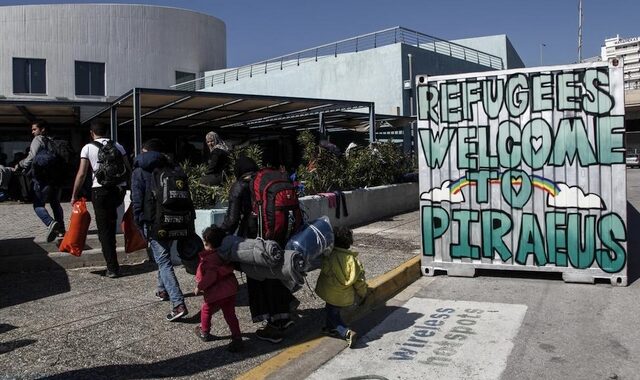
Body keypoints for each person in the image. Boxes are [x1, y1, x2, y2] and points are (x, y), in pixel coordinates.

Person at [219, 156, 295, 344]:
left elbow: (231, 219)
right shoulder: (265, 181)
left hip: (255, 239)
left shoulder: (239, 186)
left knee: (258, 278)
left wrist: (217, 237)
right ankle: (284, 316)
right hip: (277, 234)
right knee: (276, 273)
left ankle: (272, 326)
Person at [130, 138, 189, 320]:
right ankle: (162, 290)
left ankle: (178, 303)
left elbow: (137, 199)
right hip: (176, 220)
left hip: (154, 221)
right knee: (162, 255)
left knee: (163, 261)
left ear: (145, 151)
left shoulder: (140, 170)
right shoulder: (174, 168)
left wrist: (139, 222)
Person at [71, 122, 130, 278]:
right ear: (107, 132)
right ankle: (113, 259)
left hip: (100, 190)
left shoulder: (87, 147)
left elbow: (82, 173)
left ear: (92, 133)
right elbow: (127, 168)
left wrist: (74, 194)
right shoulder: (117, 145)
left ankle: (112, 267)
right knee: (112, 222)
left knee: (104, 230)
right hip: (118, 190)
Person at [315, 226, 368, 349]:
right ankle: (329, 329)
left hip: (330, 293)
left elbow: (325, 268)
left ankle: (346, 332)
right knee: (331, 310)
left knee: (333, 314)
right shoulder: (353, 261)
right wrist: (363, 293)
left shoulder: (329, 256)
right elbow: (360, 281)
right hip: (344, 296)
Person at [194, 226, 243, 352]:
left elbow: (211, 276)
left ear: (208, 244)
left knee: (206, 310)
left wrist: (199, 287)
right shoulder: (225, 254)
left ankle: (204, 332)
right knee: (230, 315)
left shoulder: (208, 260)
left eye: (205, 244)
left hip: (216, 293)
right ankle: (237, 337)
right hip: (230, 290)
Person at [14, 120, 65, 242]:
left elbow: (32, 157)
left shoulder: (38, 139)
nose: (32, 132)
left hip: (42, 178)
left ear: (42, 129)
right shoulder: (54, 140)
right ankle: (61, 229)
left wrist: (20, 164)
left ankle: (50, 223)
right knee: (55, 204)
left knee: (38, 205)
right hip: (56, 178)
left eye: (34, 129)